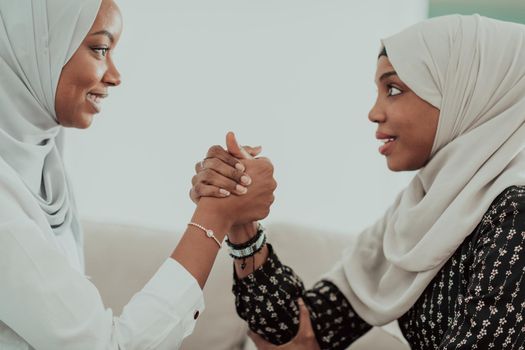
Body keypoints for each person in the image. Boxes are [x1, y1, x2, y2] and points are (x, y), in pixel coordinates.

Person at [191, 14, 525, 349]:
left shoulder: (516, 213)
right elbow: (298, 340)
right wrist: (241, 220)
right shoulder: (422, 211)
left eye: (393, 89)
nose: (374, 112)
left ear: (466, 91)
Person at [0, 0, 276, 349]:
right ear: (31, 48)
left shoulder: (45, 169)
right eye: (100, 49)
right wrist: (215, 214)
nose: (114, 76)